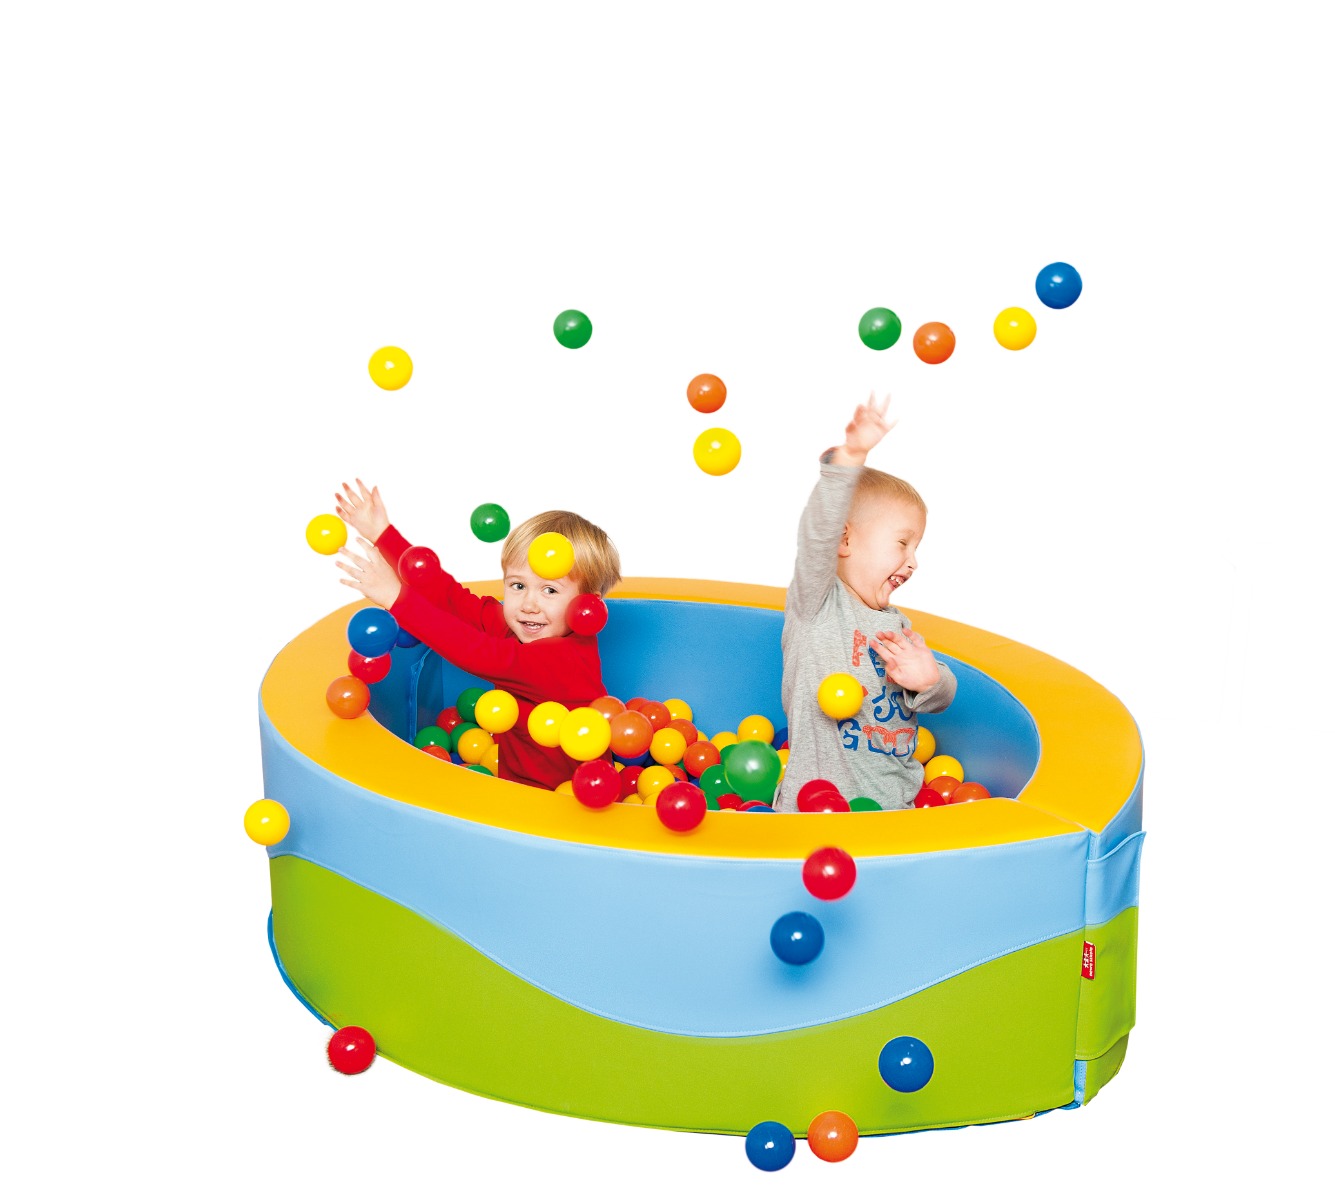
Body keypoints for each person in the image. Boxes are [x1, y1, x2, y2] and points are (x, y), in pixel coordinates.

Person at [333, 480, 621, 790]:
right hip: (517, 786)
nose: (529, 605)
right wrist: (382, 534)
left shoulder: (561, 659)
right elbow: (450, 598)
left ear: (587, 604)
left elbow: (475, 652)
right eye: (518, 585)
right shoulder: (523, 628)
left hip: (568, 798)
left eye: (550, 590)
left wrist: (395, 597)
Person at [773, 395, 957, 812]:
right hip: (816, 809)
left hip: (894, 810)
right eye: (902, 543)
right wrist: (849, 459)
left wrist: (931, 681)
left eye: (916, 548)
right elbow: (816, 535)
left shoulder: (897, 625)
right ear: (844, 540)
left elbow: (940, 694)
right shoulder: (817, 605)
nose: (913, 561)